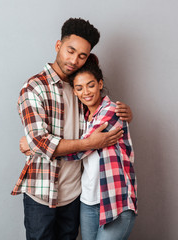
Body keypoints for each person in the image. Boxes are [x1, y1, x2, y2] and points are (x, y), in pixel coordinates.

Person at [12, 18, 133, 240]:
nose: (74, 60)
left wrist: (126, 113)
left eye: (82, 56)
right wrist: (88, 144)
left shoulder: (80, 88)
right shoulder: (34, 88)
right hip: (42, 193)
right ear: (58, 46)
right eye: (70, 51)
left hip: (75, 195)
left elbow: (99, 113)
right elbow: (42, 142)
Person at [63, 54, 137, 240]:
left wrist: (40, 147)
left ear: (100, 84)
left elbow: (79, 150)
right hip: (88, 201)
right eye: (79, 88)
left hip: (115, 200)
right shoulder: (83, 116)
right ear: (74, 92)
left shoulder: (111, 111)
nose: (86, 92)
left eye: (90, 85)